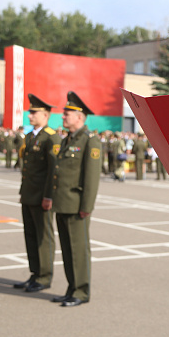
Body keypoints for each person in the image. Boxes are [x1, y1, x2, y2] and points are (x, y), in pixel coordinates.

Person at [51, 91, 101, 307]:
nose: (63, 117)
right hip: (63, 203)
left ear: (79, 117)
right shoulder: (67, 140)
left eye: (67, 114)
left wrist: (86, 207)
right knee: (67, 249)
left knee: (78, 250)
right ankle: (71, 288)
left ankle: (81, 291)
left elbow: (91, 177)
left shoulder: (90, 141)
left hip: (77, 205)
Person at [13, 94, 62, 292]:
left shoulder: (51, 137)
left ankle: (44, 276)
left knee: (44, 237)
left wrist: (48, 196)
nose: (30, 115)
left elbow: (54, 170)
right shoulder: (30, 136)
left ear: (45, 115)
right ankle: (35, 273)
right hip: (29, 194)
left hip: (42, 196)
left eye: (34, 112)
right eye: (30, 112)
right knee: (30, 235)